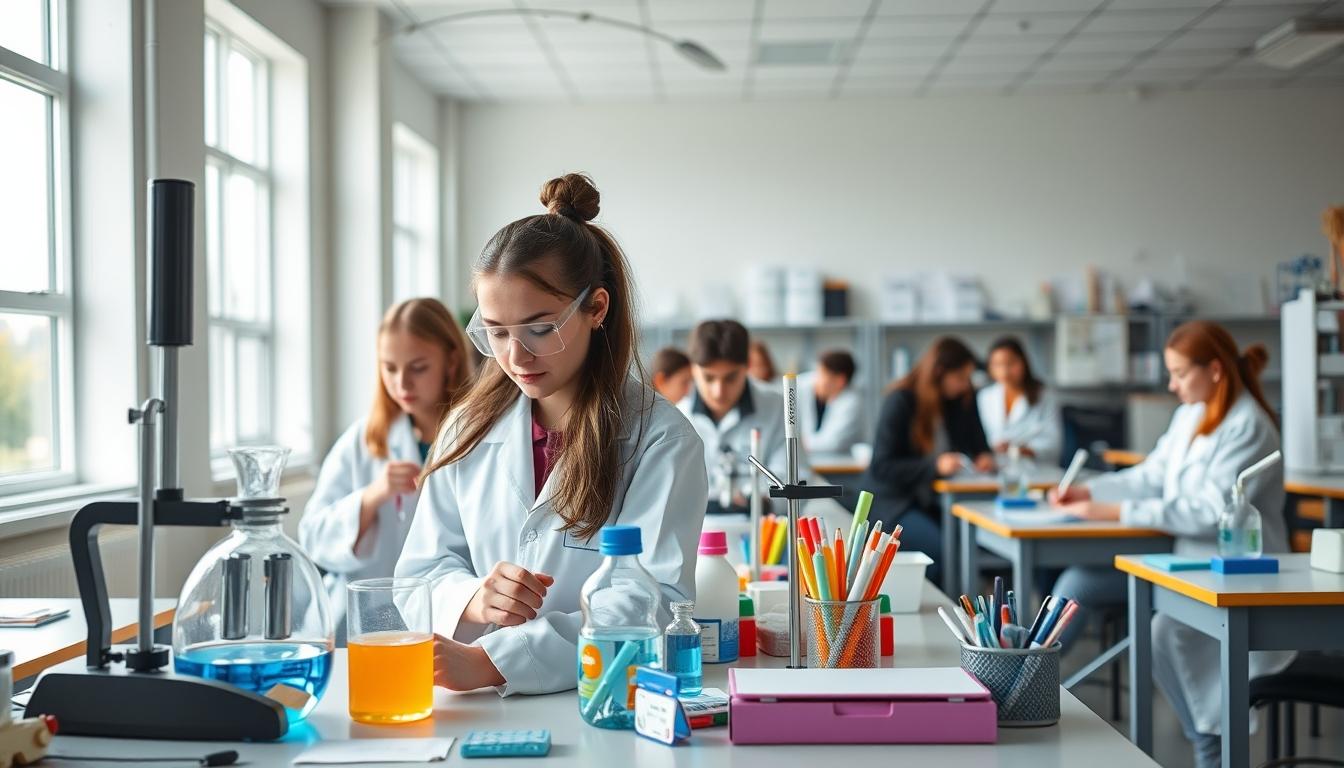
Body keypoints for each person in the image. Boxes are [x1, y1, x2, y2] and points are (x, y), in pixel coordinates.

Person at [394, 173, 707, 695]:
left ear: (596, 309)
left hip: (601, 698)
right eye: (495, 332)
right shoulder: (467, 428)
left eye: (540, 328)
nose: (516, 356)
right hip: (472, 705)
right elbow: (422, 568)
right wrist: (473, 599)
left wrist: (495, 662)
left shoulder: (661, 439)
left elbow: (650, 600)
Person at [1048, 321, 1289, 768]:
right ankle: (1032, 689)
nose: (1171, 384)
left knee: (1162, 631)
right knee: (1082, 587)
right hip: (1186, 560)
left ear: (1214, 370)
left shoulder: (1248, 425)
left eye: (1179, 373)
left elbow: (1210, 510)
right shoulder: (1190, 415)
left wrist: (1117, 513)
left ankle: (1211, 742)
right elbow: (1152, 475)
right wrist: (1091, 492)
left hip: (1239, 568)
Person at [300, 298, 472, 636]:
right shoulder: (364, 440)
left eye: (418, 367)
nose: (403, 383)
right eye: (390, 368)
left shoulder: (480, 437)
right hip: (361, 624)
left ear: (451, 361)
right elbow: (313, 537)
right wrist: (373, 496)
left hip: (451, 621)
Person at [861, 337, 994, 587]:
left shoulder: (962, 398)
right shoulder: (901, 400)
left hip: (935, 500)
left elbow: (979, 444)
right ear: (940, 372)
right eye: (960, 377)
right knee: (943, 550)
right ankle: (947, 609)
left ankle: (965, 606)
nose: (965, 385)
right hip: (895, 502)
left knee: (972, 542)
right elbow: (882, 465)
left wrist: (984, 456)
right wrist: (934, 467)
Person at [977, 336, 1059, 462]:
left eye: (1011, 363)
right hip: (995, 468)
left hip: (1035, 468)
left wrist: (1019, 450)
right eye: (997, 365)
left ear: (1024, 363)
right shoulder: (984, 397)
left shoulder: (1043, 395)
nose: (1005, 371)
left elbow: (1053, 444)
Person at [798, 349, 863, 455]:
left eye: (821, 374)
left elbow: (831, 443)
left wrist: (798, 442)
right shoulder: (803, 385)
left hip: (838, 465)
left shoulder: (851, 402)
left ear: (840, 380)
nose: (816, 378)